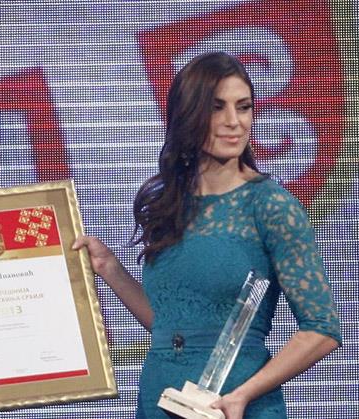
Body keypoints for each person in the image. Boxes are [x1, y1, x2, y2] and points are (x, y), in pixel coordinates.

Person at [73, 52, 342, 418]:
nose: (234, 122)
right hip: (160, 396)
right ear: (189, 114)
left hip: (232, 405)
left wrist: (242, 395)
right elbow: (169, 326)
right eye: (217, 108)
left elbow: (321, 330)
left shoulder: (270, 205)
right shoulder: (169, 204)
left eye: (243, 107)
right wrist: (110, 268)